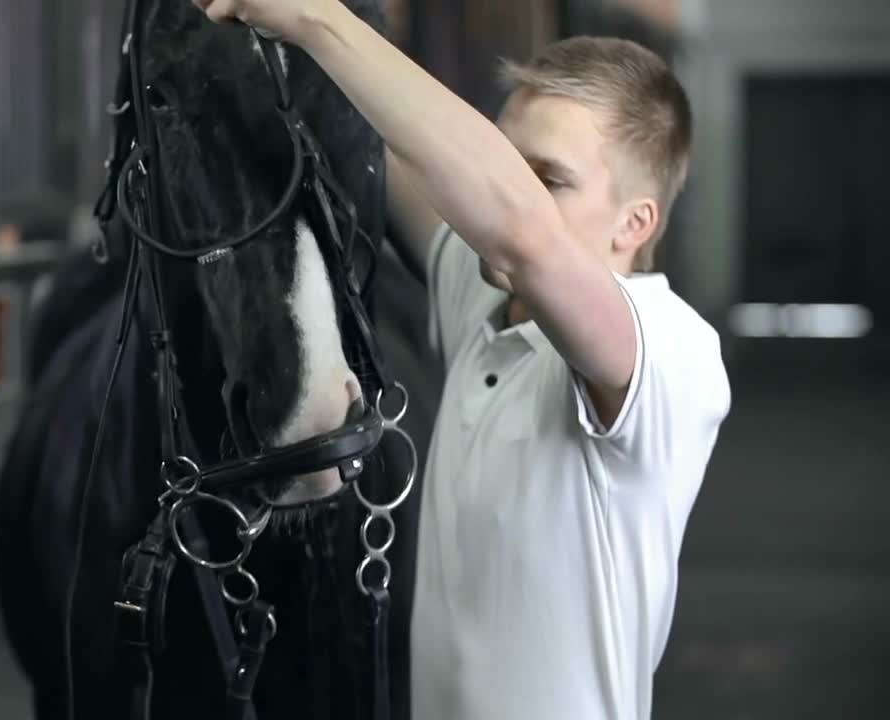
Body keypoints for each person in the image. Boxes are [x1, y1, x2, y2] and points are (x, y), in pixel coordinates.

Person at [193, 1, 733, 718]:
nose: (506, 195)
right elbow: (406, 149)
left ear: (635, 223)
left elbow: (520, 233)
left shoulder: (670, 349)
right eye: (506, 165)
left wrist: (313, 15)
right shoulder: (479, 297)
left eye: (550, 179)